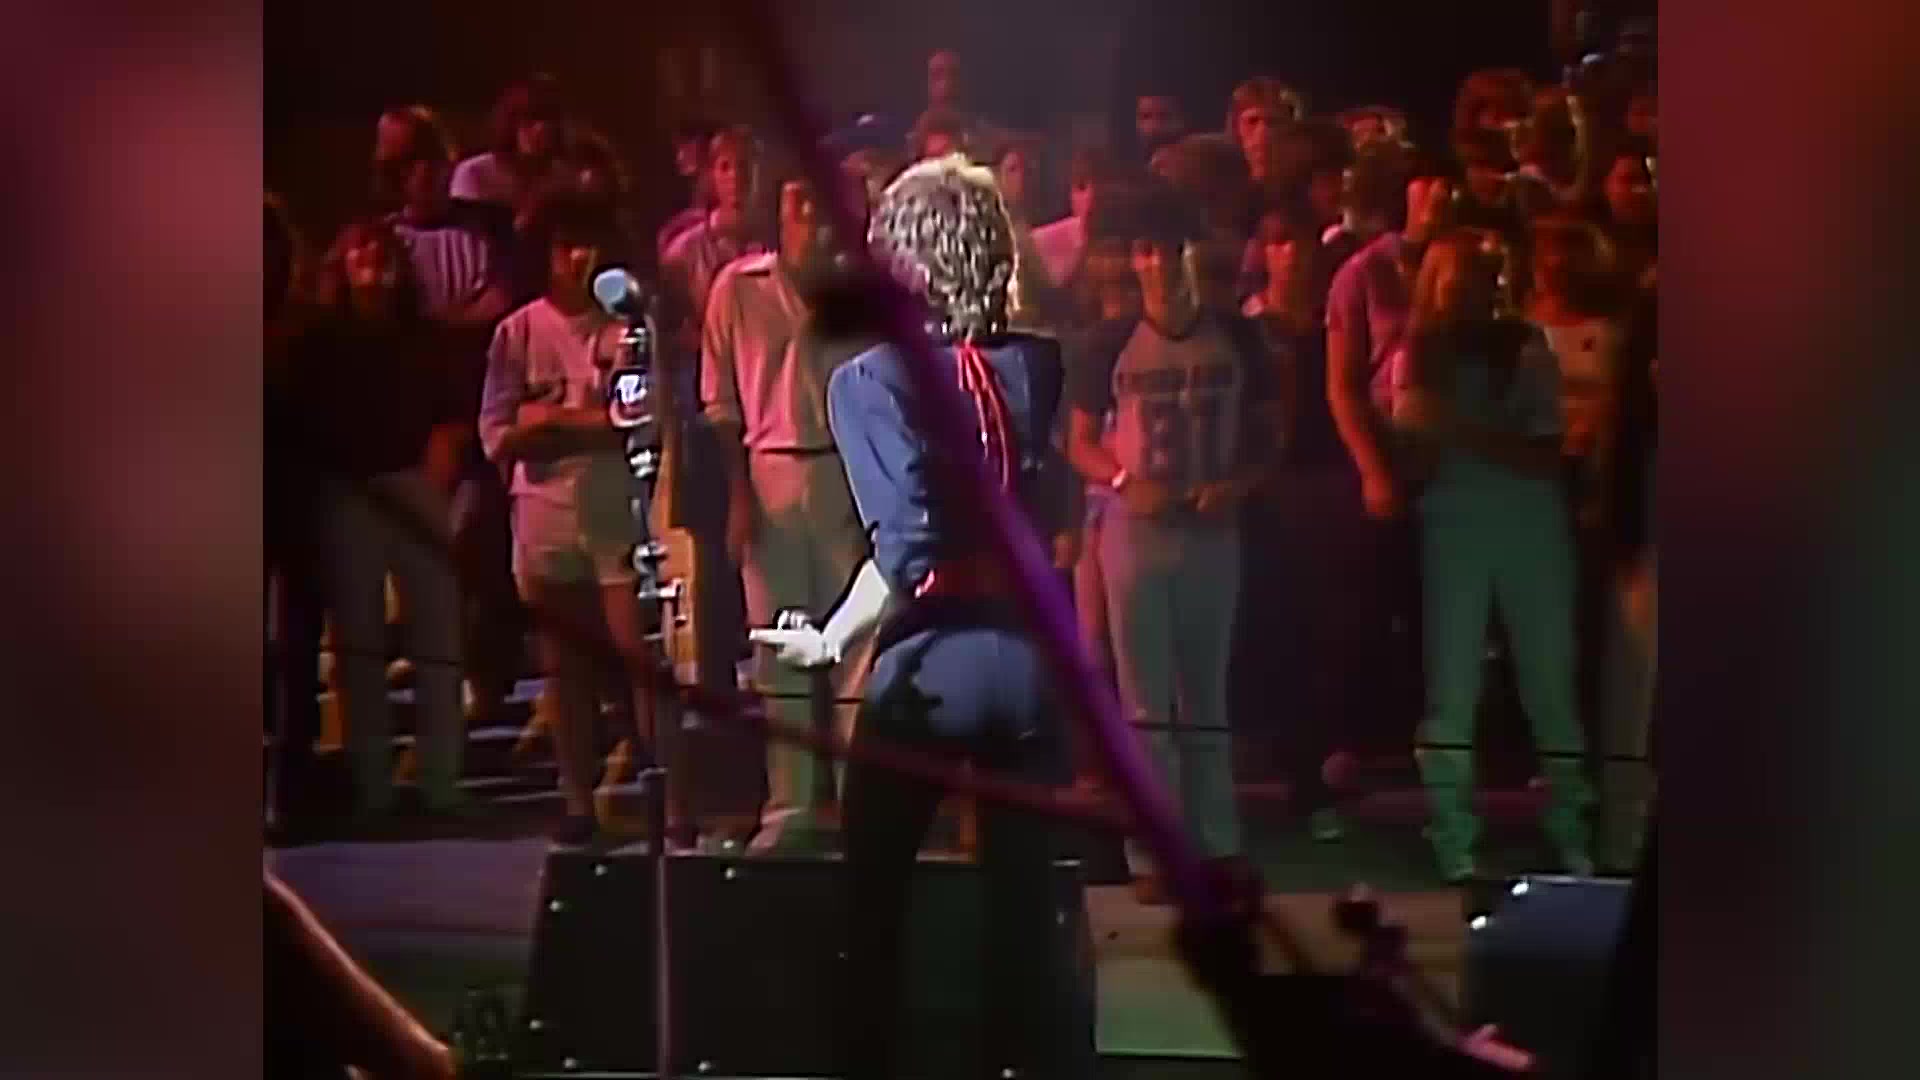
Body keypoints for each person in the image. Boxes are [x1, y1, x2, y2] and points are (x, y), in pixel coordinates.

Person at [750, 153, 1088, 1080]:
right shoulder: (1040, 364)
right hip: (1029, 658)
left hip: (936, 660)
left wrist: (830, 638)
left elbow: (909, 549)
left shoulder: (868, 381)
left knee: (873, 906)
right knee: (1024, 917)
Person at [1065, 183, 1280, 902]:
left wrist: (1238, 483)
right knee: (1146, 702)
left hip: (1212, 529)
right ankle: (1155, 852)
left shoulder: (1239, 336)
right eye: (1147, 251)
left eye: (1171, 249)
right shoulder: (1108, 342)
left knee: (1205, 697)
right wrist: (1126, 481)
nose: (1159, 263)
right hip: (1137, 530)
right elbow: (1080, 442)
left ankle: (1218, 843)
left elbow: (1271, 431)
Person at [1386, 229, 1595, 882]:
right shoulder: (1416, 355)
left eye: (1480, 277)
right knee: (1452, 687)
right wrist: (1423, 432)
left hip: (1532, 527)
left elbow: (1542, 456)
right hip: (1453, 529)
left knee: (1549, 682)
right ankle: (1454, 834)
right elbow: (1415, 462)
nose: (1470, 290)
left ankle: (1571, 828)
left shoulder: (1525, 346)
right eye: (1457, 278)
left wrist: (1452, 426)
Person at [477, 197, 671, 846]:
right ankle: (577, 803)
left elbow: (632, 422)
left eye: (588, 244)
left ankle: (665, 799)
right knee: (564, 672)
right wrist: (568, 425)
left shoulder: (627, 328)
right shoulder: (516, 332)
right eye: (565, 247)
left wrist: (550, 420)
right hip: (544, 520)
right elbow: (499, 434)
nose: (579, 258)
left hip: (616, 515)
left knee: (637, 660)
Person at [701, 161, 871, 854]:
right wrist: (738, 495)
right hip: (769, 469)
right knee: (781, 650)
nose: (809, 213)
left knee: (858, 649)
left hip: (846, 470)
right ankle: (791, 806)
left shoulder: (859, 292)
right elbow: (720, 405)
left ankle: (863, 807)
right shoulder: (737, 288)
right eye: (797, 199)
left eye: (818, 200)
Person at [290, 219, 472, 827]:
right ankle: (373, 788)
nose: (372, 256)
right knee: (360, 646)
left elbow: (454, 410)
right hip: (348, 492)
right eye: (360, 247)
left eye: (382, 247)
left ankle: (442, 783)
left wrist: (441, 460)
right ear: (340, 263)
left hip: (414, 482)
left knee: (438, 640)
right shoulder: (320, 338)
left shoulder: (423, 333)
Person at [451, 75, 572, 222]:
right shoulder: (474, 173)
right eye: (531, 119)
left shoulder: (563, 178)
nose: (541, 129)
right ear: (510, 122)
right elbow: (463, 233)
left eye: (550, 120)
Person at [1032, 146, 1111, 289]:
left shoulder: (1126, 248)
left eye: (1101, 187)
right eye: (1081, 187)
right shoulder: (1040, 243)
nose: (1092, 197)